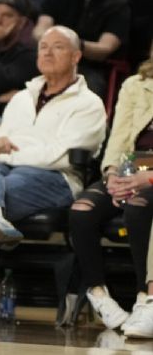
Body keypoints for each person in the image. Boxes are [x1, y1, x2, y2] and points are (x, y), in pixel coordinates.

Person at [0, 26, 106, 325]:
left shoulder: (90, 104)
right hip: (8, 173)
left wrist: (8, 153)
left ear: (76, 56)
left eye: (57, 47)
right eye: (43, 46)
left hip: (57, 180)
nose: (46, 52)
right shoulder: (21, 97)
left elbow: (58, 155)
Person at [68, 51, 153, 333]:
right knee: (81, 212)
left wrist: (146, 177)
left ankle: (145, 298)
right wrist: (113, 173)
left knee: (139, 207)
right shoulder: (135, 84)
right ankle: (98, 294)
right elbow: (118, 137)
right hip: (131, 165)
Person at [35, 0, 130, 98]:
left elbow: (105, 48)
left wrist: (72, 44)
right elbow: (40, 29)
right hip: (52, 62)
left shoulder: (118, 5)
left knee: (87, 88)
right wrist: (50, 41)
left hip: (91, 68)